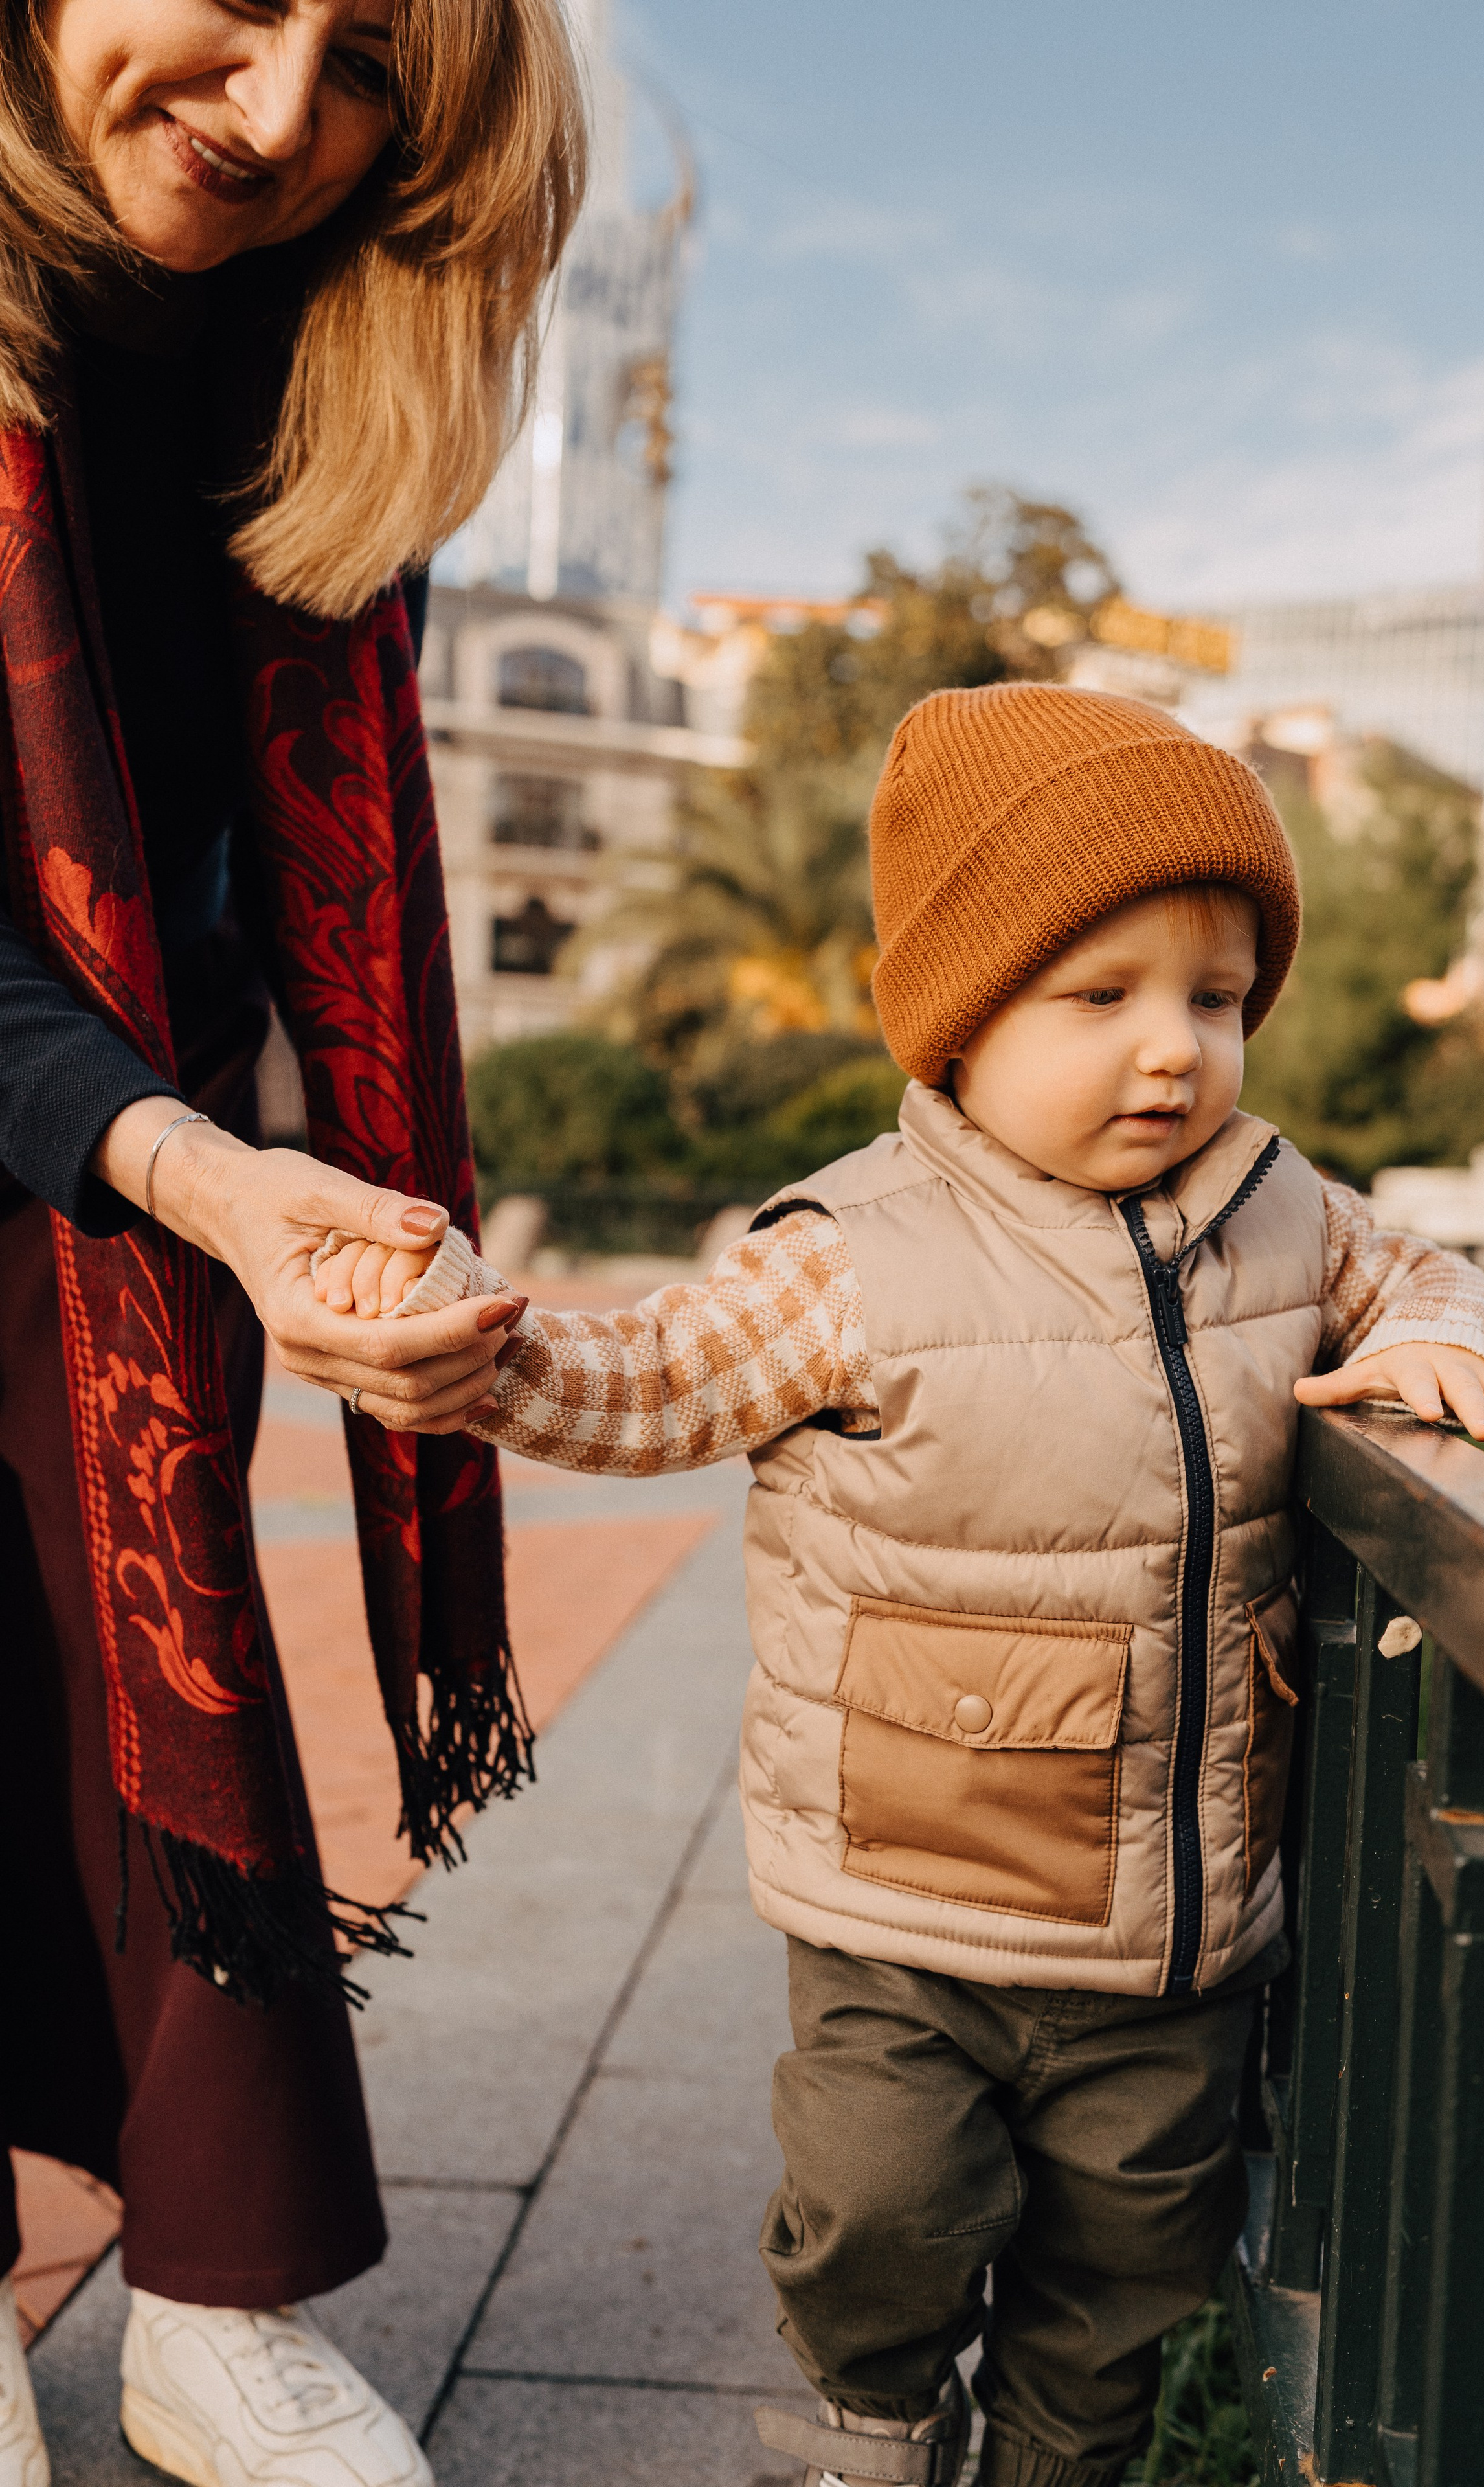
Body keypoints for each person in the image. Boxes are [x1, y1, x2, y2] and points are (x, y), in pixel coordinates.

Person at [319, 685, 1484, 2487]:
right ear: (963, 1021)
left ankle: (1057, 2464)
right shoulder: (852, 1255)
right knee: (880, 2208)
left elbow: (1428, 1275)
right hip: (908, 1896)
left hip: (1177, 1921)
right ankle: (875, 2424)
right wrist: (480, 1356)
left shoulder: (1289, 1211)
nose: (1174, 1053)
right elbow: (650, 1375)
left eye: (1215, 1001)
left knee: (1131, 2266)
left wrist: (1448, 1341)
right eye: (1104, 996)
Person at [0, 0, 583, 2481]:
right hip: (111, 1114)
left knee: (157, 1660)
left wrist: (312, 1210)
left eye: (363, 63)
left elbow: (260, 863)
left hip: (141, 1143)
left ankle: (215, 2302)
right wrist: (198, 1163)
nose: (272, 111)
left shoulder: (312, 370)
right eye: (238, 3)